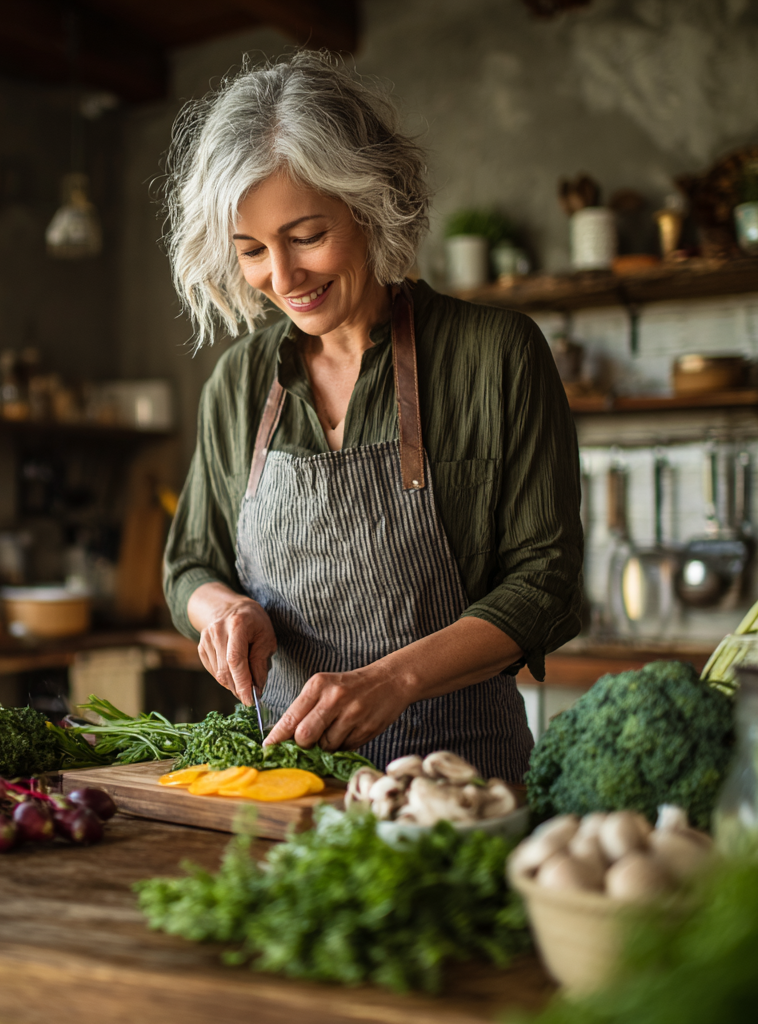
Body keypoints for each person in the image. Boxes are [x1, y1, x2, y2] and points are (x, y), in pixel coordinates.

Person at [161, 52, 583, 782]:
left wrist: (395, 680)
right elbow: (189, 564)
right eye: (252, 251)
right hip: (287, 788)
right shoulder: (238, 382)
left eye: (306, 236)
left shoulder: (497, 355)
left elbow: (545, 582)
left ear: (373, 201)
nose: (283, 279)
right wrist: (225, 611)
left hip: (462, 790)